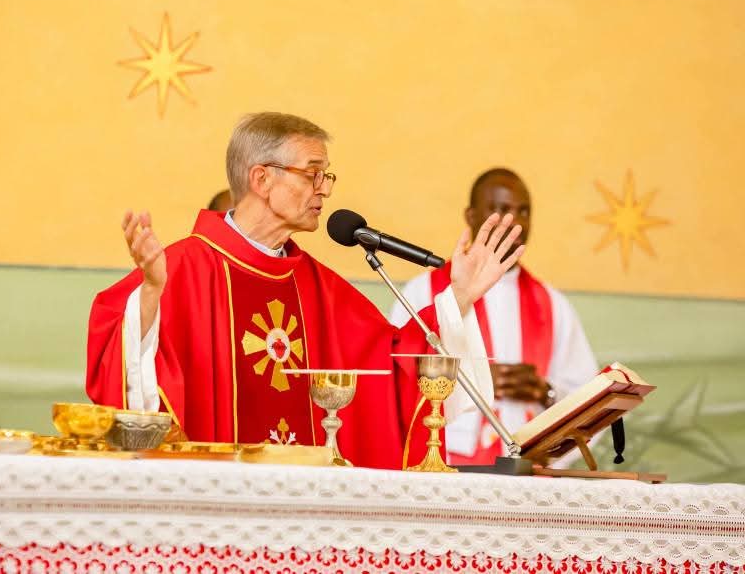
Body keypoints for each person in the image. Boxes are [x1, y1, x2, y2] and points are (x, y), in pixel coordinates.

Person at [87, 113, 524, 469]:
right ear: (261, 179)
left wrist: (460, 295)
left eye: (326, 176)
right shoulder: (180, 267)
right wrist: (150, 292)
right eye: (312, 174)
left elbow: (391, 365)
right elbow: (119, 362)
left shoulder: (317, 286)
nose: (324, 191)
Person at [388, 168, 597, 465]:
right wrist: (476, 381)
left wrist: (544, 391)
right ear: (471, 216)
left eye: (523, 211)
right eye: (500, 209)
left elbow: (586, 397)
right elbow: (398, 377)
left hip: (529, 469)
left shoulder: (552, 304)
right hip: (445, 466)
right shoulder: (425, 291)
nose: (515, 221)